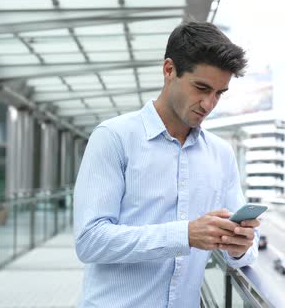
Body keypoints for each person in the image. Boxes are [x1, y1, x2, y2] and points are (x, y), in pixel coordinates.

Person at [73, 21, 260, 308]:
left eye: (219, 93)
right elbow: (90, 241)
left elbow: (245, 249)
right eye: (201, 87)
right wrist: (185, 234)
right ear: (169, 70)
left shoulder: (221, 154)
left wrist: (240, 245)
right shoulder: (113, 138)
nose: (209, 104)